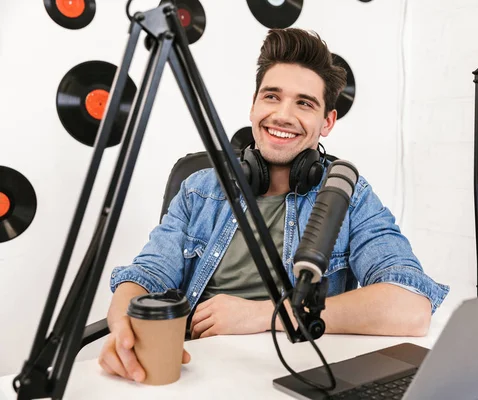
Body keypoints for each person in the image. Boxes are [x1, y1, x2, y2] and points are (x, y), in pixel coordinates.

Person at [98, 28, 449, 383]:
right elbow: (146, 277)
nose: (282, 115)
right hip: (198, 374)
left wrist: (269, 315)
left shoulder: (349, 196)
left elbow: (411, 306)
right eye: (272, 96)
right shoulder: (199, 190)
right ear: (253, 105)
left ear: (326, 122)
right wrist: (122, 327)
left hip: (300, 376)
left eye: (304, 103)